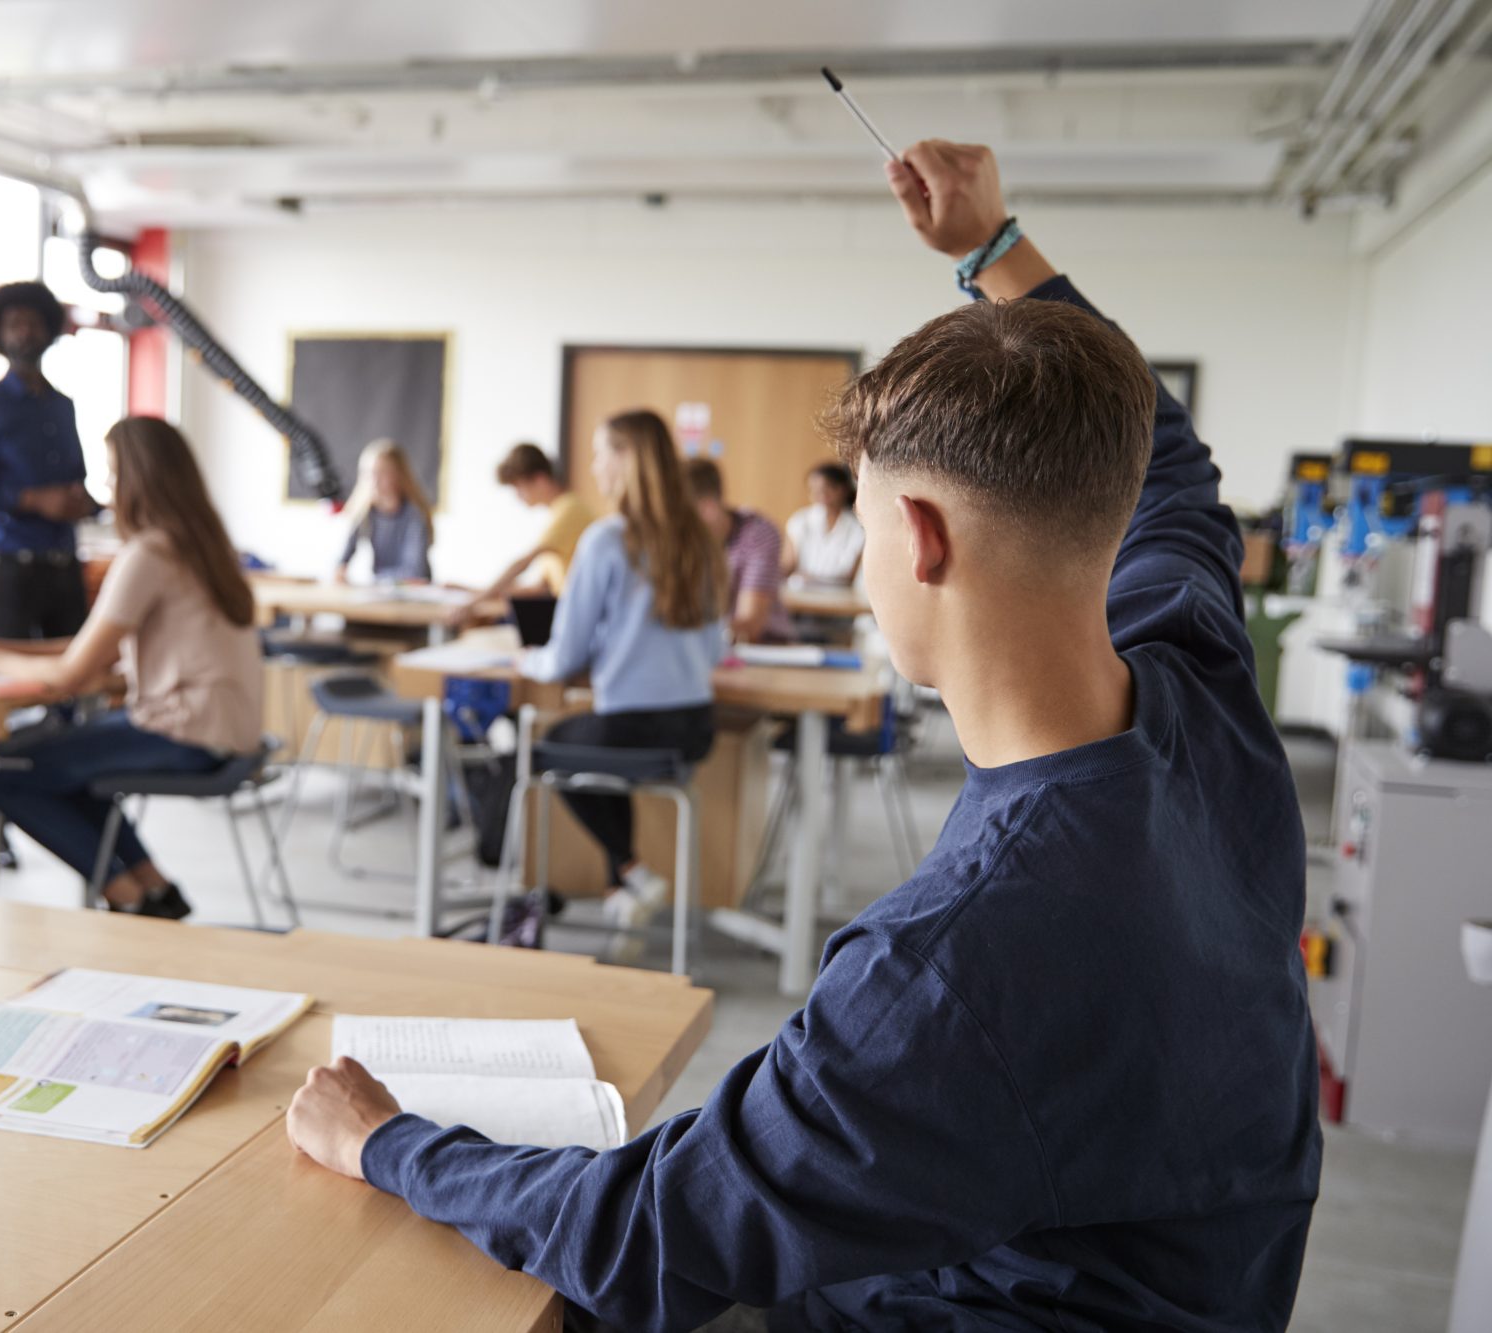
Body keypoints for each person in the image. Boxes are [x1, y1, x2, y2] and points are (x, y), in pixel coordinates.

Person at [285, 139, 1319, 1333]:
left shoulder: (949, 965)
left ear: (918, 538)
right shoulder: (1199, 688)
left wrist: (387, 1141)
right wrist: (992, 252)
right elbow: (1171, 459)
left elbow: (646, 1236)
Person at [0, 417, 263, 919]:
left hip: (187, 731)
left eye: (113, 476)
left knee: (5, 771)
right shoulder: (200, 546)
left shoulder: (150, 553)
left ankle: (130, 900)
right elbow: (92, 647)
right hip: (222, 727)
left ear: (140, 480)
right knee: (54, 763)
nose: (107, 491)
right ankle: (153, 888)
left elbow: (74, 675)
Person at [506, 410, 726, 957]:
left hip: (629, 728)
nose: (594, 466)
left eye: (601, 453)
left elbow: (563, 658)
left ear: (625, 460)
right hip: (694, 728)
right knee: (596, 747)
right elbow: (717, 646)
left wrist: (526, 660)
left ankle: (630, 871)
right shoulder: (698, 538)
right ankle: (620, 890)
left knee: (541, 751)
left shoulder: (607, 539)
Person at [0, 280, 98, 640]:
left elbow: (77, 476)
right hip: (9, 567)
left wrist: (85, 503)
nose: (26, 332)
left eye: (33, 323)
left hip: (64, 565)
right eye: (15, 324)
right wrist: (31, 500)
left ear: (49, 331)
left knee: (71, 682)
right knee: (6, 680)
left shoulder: (62, 406)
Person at [447, 443, 595, 628]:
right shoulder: (558, 513)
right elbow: (539, 589)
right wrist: (473, 591)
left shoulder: (569, 510)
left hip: (574, 616)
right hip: (562, 609)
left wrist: (475, 602)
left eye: (519, 487)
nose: (518, 496)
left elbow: (523, 562)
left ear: (540, 480)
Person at [683, 457, 791, 644]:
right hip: (702, 649)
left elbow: (750, 623)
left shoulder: (757, 533)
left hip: (764, 649)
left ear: (707, 509)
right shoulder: (677, 541)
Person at [332, 439, 433, 584]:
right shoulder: (366, 512)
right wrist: (340, 570)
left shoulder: (414, 515)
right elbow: (342, 560)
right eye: (369, 473)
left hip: (416, 595)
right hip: (382, 590)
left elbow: (415, 572)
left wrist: (377, 581)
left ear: (398, 475)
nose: (374, 480)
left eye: (381, 473)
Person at [782, 460, 864, 585]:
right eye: (813, 490)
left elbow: (850, 577)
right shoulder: (800, 520)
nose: (820, 495)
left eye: (827, 488)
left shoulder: (858, 527)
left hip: (840, 598)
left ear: (843, 489)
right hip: (800, 593)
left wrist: (814, 579)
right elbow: (788, 565)